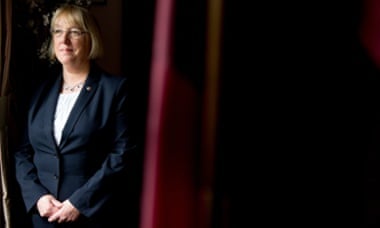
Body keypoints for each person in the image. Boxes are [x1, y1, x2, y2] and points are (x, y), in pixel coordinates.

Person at [13, 4, 137, 227]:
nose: (64, 40)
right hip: (42, 217)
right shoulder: (38, 90)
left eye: (75, 32)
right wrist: (38, 197)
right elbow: (22, 152)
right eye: (58, 31)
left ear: (91, 38)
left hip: (91, 216)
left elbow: (122, 155)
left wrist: (79, 203)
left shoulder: (114, 90)